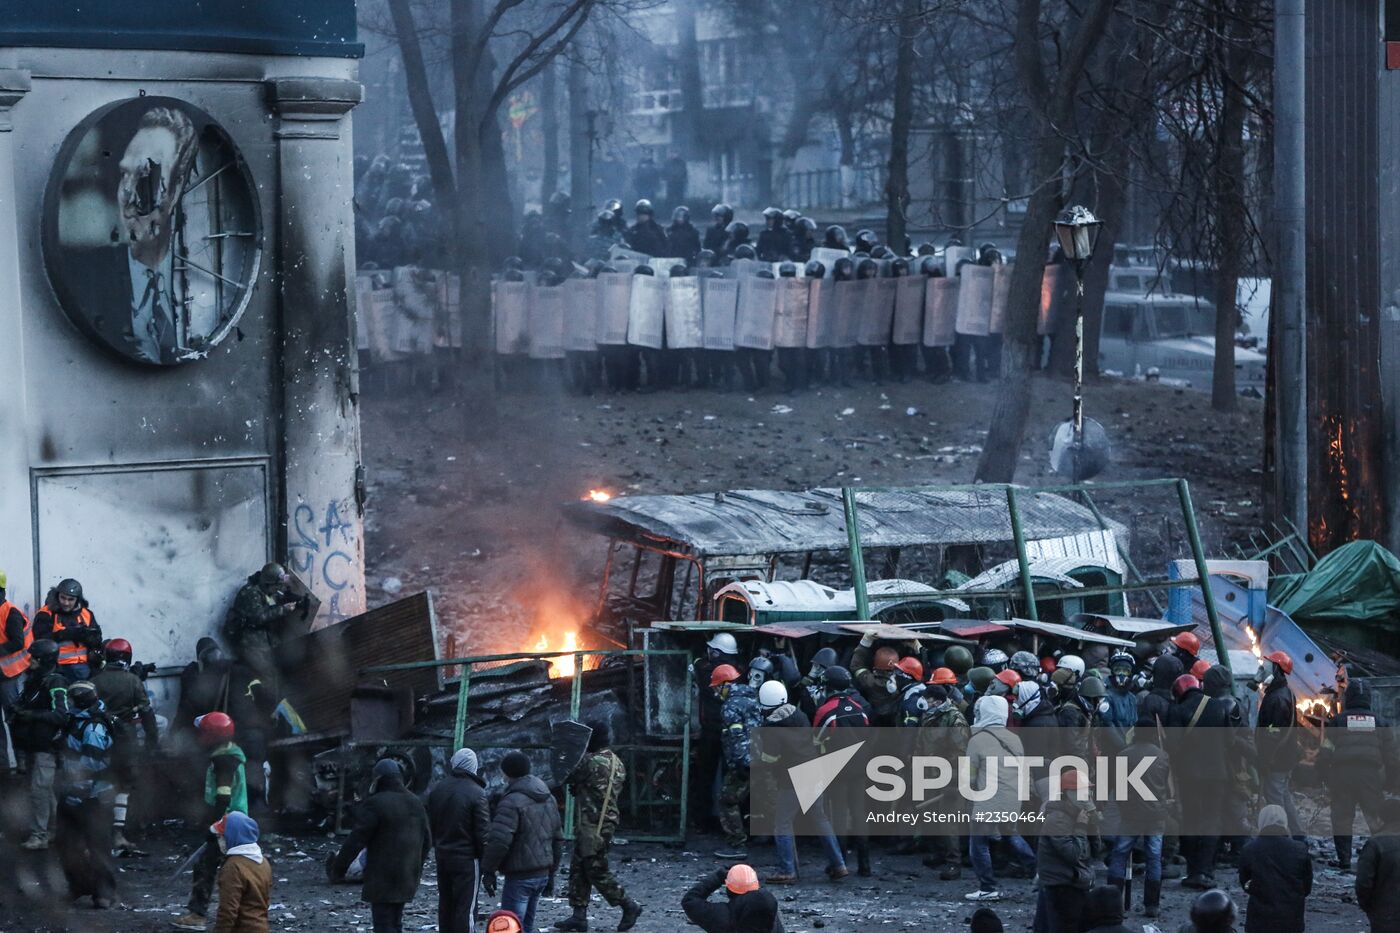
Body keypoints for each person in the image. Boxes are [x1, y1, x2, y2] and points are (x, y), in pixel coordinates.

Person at [758, 680, 848, 884]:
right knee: (820, 819)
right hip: (814, 772)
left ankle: (786, 870)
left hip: (792, 779)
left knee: (782, 823)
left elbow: (769, 759)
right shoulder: (800, 716)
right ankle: (839, 864)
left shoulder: (772, 727)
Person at [329, 758, 432, 933]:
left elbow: (356, 840)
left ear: (378, 779)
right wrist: (415, 868)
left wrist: (338, 869)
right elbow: (427, 841)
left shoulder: (376, 803)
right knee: (395, 923)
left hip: (382, 879)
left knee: (383, 925)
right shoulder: (416, 802)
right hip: (406, 877)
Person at [556, 724, 642, 931]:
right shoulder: (616, 762)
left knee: (595, 869)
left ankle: (628, 904)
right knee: (579, 868)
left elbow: (566, 774)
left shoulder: (592, 762)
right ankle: (579, 915)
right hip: (601, 822)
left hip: (594, 824)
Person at [173, 711, 250, 931]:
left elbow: (224, 796)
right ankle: (241, 916)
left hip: (228, 823)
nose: (199, 737)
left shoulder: (223, 760)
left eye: (202, 733)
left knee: (206, 867)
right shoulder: (229, 752)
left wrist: (215, 826)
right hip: (236, 821)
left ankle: (198, 915)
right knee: (234, 869)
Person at [46, 680, 117, 907]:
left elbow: (93, 765)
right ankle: (78, 885)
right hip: (73, 794)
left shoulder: (94, 728)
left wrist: (76, 792)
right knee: (66, 843)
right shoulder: (77, 720)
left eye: (71, 699)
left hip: (93, 798)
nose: (68, 703)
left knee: (99, 846)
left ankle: (104, 893)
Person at [1166, 672, 1235, 889]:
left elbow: (1172, 746)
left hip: (1190, 776)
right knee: (1212, 820)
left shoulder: (1178, 710)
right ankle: (1206, 871)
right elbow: (1230, 740)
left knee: (1191, 820)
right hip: (1218, 774)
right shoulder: (1218, 706)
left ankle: (1193, 871)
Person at [964, 695, 1036, 902]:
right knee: (1011, 835)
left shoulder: (977, 740)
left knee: (978, 842)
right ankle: (1037, 873)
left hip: (989, 798)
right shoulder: (1014, 738)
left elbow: (969, 776)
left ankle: (987, 887)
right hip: (1013, 796)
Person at [92, 636, 159, 854]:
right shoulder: (133, 681)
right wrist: (152, 742)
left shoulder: (95, 681)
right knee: (125, 786)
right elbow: (147, 713)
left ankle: (97, 833)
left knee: (101, 784)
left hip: (100, 739)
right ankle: (119, 832)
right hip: (126, 740)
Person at [482, 751, 562, 933]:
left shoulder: (510, 801)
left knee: (511, 926)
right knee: (526, 925)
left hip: (520, 875)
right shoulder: (549, 798)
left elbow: (499, 841)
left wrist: (488, 870)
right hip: (542, 872)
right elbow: (557, 838)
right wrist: (552, 872)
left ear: (506, 773)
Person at [1105, 711, 1171, 917]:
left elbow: (1117, 786)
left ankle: (1114, 903)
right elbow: (1164, 786)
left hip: (1130, 815)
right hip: (1155, 815)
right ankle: (1152, 905)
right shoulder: (1162, 756)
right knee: (1154, 858)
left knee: (1120, 855)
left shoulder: (1123, 755)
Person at [1320, 679, 1392, 870]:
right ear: (1368, 698)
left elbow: (1325, 752)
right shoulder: (1381, 723)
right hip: (1370, 777)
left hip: (1342, 776)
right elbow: (1392, 756)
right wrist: (1391, 782)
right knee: (1377, 817)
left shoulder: (1338, 721)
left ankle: (1344, 860)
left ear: (1348, 697)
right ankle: (1383, 858)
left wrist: (1322, 776)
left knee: (1342, 818)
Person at [813, 666, 872, 877]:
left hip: (837, 768)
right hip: (860, 766)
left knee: (838, 813)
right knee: (859, 813)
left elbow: (816, 739)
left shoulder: (825, 710)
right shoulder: (860, 707)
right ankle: (865, 864)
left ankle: (840, 862)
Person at [427, 747, 490, 933]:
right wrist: (488, 865)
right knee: (466, 908)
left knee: (446, 904)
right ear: (474, 766)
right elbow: (483, 833)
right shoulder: (477, 793)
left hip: (443, 855)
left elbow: (431, 824)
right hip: (467, 859)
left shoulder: (438, 789)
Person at [14, 639, 68, 850]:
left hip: (46, 746)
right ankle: (52, 832)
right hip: (33, 744)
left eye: (34, 658)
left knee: (39, 789)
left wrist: (32, 715)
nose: (30, 661)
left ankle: (40, 835)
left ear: (43, 660)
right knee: (44, 790)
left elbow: (61, 715)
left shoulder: (55, 683)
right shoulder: (34, 680)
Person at [917, 679, 970, 880]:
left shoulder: (954, 720)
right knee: (932, 817)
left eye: (927, 699)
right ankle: (940, 853)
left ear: (937, 702)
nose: (923, 702)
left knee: (949, 822)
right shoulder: (929, 716)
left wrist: (954, 780)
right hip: (930, 775)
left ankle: (953, 863)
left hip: (948, 777)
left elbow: (960, 752)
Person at [1032, 769, 1094, 932]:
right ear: (1069, 793)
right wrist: (1081, 827)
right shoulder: (1058, 818)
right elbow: (1074, 854)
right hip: (1061, 885)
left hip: (1069, 882)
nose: (1087, 795)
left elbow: (1096, 850)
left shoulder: (1074, 815)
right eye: (1082, 791)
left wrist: (1092, 822)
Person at [222, 563, 305, 681]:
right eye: (276, 586)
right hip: (248, 641)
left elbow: (274, 600)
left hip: (263, 637)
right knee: (267, 675)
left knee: (283, 662)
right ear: (268, 584)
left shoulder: (265, 591)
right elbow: (259, 617)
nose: (278, 590)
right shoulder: (250, 593)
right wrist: (283, 609)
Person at [713, 663, 762, 859]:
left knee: (727, 799)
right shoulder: (753, 698)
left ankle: (737, 843)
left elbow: (738, 738)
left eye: (717, 687)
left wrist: (741, 763)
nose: (716, 693)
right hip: (761, 758)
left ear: (725, 684)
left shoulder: (730, 707)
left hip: (745, 762)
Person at [1237, 805, 1311, 933]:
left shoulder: (1249, 849)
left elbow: (1245, 882)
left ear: (1261, 821)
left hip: (1259, 919)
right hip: (1291, 919)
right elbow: (1306, 887)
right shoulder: (1300, 849)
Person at [1254, 650, 1302, 837]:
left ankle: (1282, 836)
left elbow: (1272, 735)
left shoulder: (1278, 698)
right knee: (1282, 795)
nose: (1263, 667)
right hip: (1283, 757)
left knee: (1274, 797)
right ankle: (1298, 834)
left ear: (1277, 670)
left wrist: (1265, 760)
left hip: (1277, 759)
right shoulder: (1281, 693)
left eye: (1268, 664)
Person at [214, 811, 272, 933]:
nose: (219, 841)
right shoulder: (263, 862)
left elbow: (227, 912)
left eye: (220, 837)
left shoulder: (233, 867)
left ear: (231, 836)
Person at [681, 865, 783, 933]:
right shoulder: (769, 907)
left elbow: (689, 900)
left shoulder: (723, 916)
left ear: (729, 888)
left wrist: (717, 877)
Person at [34, 578, 101, 681]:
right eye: (63, 598)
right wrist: (66, 634)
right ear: (57, 596)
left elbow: (98, 639)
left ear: (77, 600)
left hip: (83, 668)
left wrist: (88, 637)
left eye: (70, 599)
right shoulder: (47, 613)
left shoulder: (86, 614)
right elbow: (39, 640)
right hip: (56, 668)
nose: (66, 602)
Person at [1356, 796, 1400, 931]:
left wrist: (1370, 907)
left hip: (1385, 914)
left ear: (1381, 818)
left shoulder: (1375, 844)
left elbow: (1363, 883)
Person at [0, 569, 32, 713]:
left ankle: (17, 736)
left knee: (12, 713)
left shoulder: (11, 613)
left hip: (8, 672)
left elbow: (17, 643)